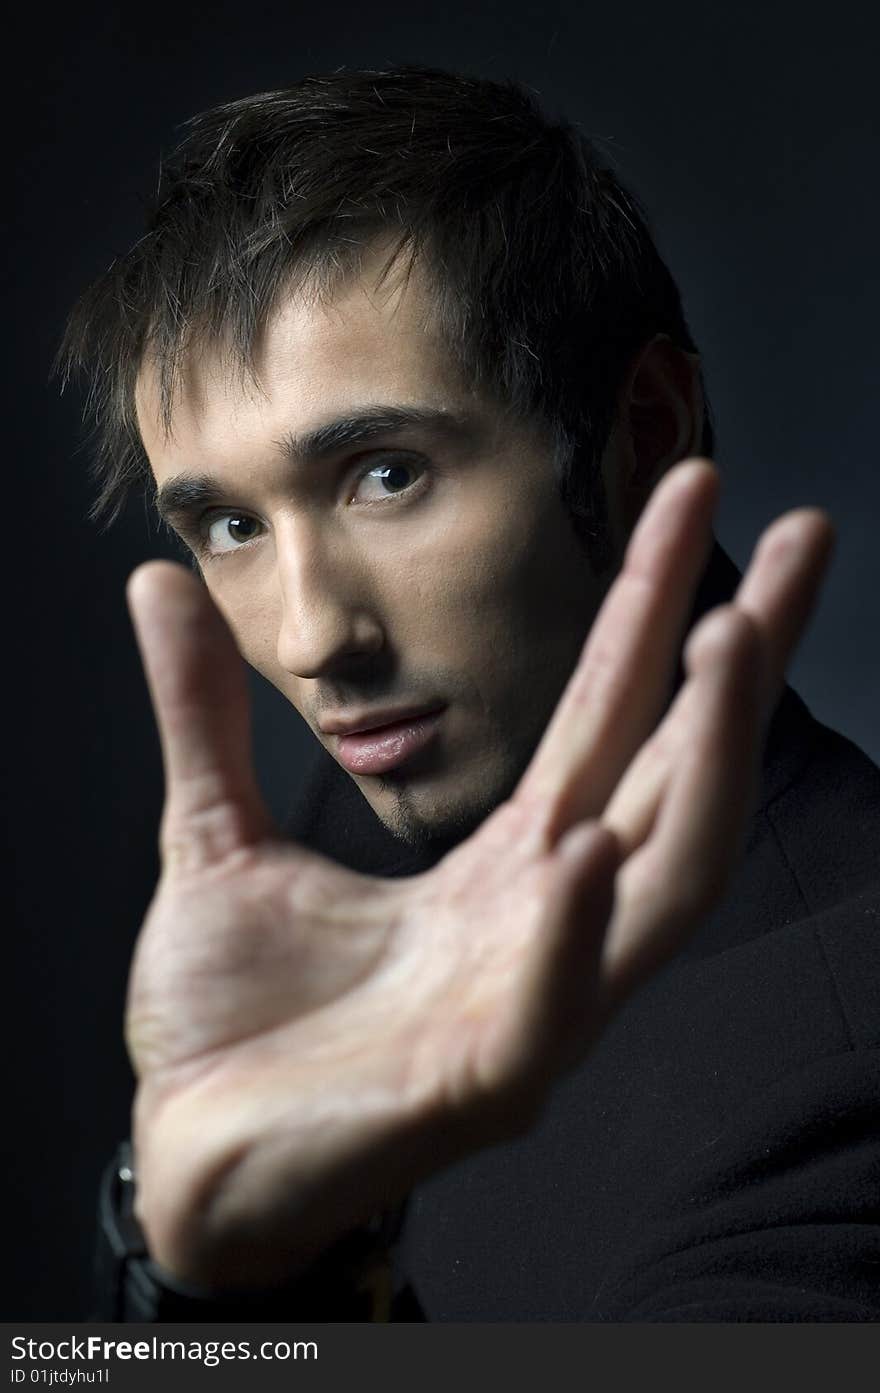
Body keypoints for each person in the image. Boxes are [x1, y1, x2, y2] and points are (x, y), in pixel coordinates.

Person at [57, 65, 880, 1321]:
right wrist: (197, 1253)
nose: (311, 635)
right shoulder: (376, 818)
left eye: (386, 474)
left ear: (644, 429)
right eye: (227, 522)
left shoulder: (842, 1052)